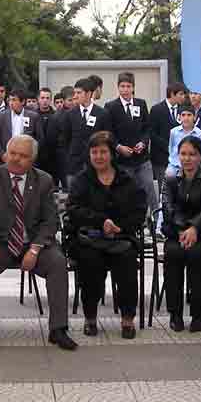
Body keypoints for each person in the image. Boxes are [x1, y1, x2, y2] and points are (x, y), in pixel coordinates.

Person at [0, 135, 77, 350]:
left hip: (34, 243)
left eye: (23, 156)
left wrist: (35, 249)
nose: (16, 159)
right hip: (1, 243)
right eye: (12, 154)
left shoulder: (44, 181)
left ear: (33, 159)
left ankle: (58, 329)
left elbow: (50, 221)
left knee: (57, 263)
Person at [66, 131, 147, 338]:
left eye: (103, 152)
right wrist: (101, 222)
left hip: (122, 237)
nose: (99, 156)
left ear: (112, 154)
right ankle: (90, 318)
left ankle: (127, 319)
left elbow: (139, 211)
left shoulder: (127, 179)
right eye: (94, 152)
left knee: (127, 261)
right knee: (90, 261)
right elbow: (73, 210)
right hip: (89, 237)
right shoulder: (81, 180)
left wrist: (120, 226)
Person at [162, 136, 201, 332]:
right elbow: (168, 208)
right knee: (173, 253)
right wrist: (182, 230)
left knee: (197, 255)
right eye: (183, 154)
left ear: (200, 156)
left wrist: (194, 228)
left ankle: (198, 315)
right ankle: (175, 314)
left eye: (192, 154)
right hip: (176, 234)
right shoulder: (170, 179)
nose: (187, 159)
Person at [104, 71, 157, 215]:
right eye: (122, 86)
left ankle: (157, 218)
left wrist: (143, 143)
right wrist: (118, 147)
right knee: (127, 192)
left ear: (133, 87)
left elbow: (147, 128)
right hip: (123, 160)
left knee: (149, 188)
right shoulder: (110, 106)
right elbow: (108, 132)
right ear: (118, 87)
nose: (125, 89)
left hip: (142, 158)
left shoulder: (141, 104)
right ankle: (132, 220)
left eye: (128, 86)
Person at [59, 78, 111, 186]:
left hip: (96, 166)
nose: (75, 96)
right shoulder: (69, 114)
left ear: (88, 94)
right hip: (74, 167)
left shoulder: (102, 114)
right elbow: (65, 140)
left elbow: (107, 140)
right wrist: (69, 159)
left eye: (79, 93)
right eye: (75, 93)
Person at [0, 87, 43, 164]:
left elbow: (40, 138)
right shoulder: (1, 116)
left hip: (26, 158)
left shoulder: (33, 116)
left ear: (23, 101)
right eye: (10, 100)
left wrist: (31, 154)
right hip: (7, 158)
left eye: (14, 100)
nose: (11, 103)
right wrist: (2, 154)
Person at [149, 82, 187, 183]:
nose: (183, 97)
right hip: (162, 158)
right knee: (165, 187)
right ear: (172, 94)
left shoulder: (183, 110)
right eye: (181, 94)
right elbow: (152, 133)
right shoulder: (156, 109)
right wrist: (168, 146)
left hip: (180, 158)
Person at [166, 104, 201, 178]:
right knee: (169, 175)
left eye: (189, 115)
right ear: (179, 117)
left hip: (193, 166)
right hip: (175, 166)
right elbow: (171, 148)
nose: (186, 118)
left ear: (194, 117)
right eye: (183, 115)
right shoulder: (174, 132)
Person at [35, 87, 56, 176]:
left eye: (47, 98)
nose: (45, 101)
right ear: (38, 99)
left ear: (51, 100)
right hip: (36, 158)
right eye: (42, 98)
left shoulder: (56, 115)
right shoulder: (32, 115)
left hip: (53, 159)